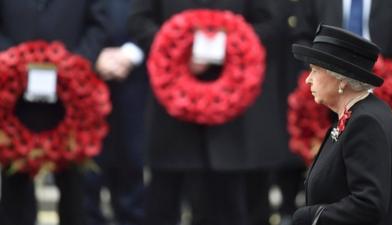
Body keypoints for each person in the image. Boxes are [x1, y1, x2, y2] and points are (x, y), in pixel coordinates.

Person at [128, 1, 289, 225]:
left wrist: (222, 47)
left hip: (237, 118)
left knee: (237, 208)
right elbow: (139, 20)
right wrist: (177, 49)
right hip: (174, 115)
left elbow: (273, 23)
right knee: (163, 206)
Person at [0, 1, 107, 225]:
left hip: (71, 102)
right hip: (14, 98)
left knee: (75, 196)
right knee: (14, 194)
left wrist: (75, 65)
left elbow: (98, 24)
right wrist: (13, 60)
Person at [290, 24, 392, 225]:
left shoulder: (366, 122)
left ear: (341, 79)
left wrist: (310, 217)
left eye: (315, 70)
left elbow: (368, 205)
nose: (308, 80)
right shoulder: (359, 113)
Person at [83, 0, 147, 224]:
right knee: (85, 182)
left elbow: (162, 15)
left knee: (131, 175)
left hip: (136, 83)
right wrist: (93, 56)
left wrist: (131, 54)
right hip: (83, 84)